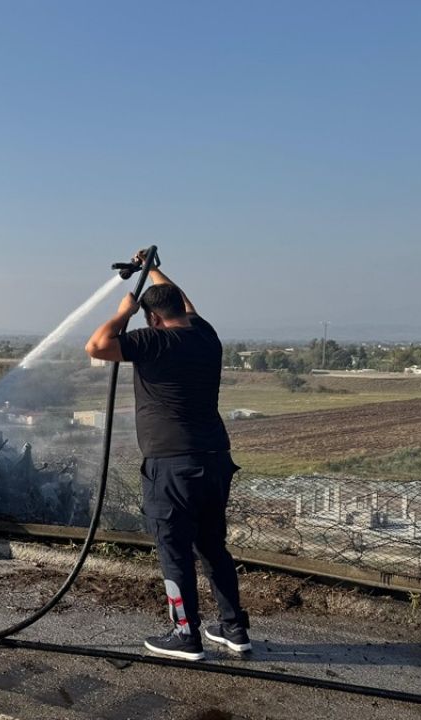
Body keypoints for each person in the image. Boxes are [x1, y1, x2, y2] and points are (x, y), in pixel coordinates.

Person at [84, 251, 250, 661]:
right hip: (214, 458)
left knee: (174, 550)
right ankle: (235, 630)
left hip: (172, 466)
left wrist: (124, 311)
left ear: (153, 319)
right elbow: (184, 303)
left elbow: (97, 345)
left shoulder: (152, 341)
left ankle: (185, 636)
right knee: (213, 547)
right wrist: (151, 270)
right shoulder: (205, 334)